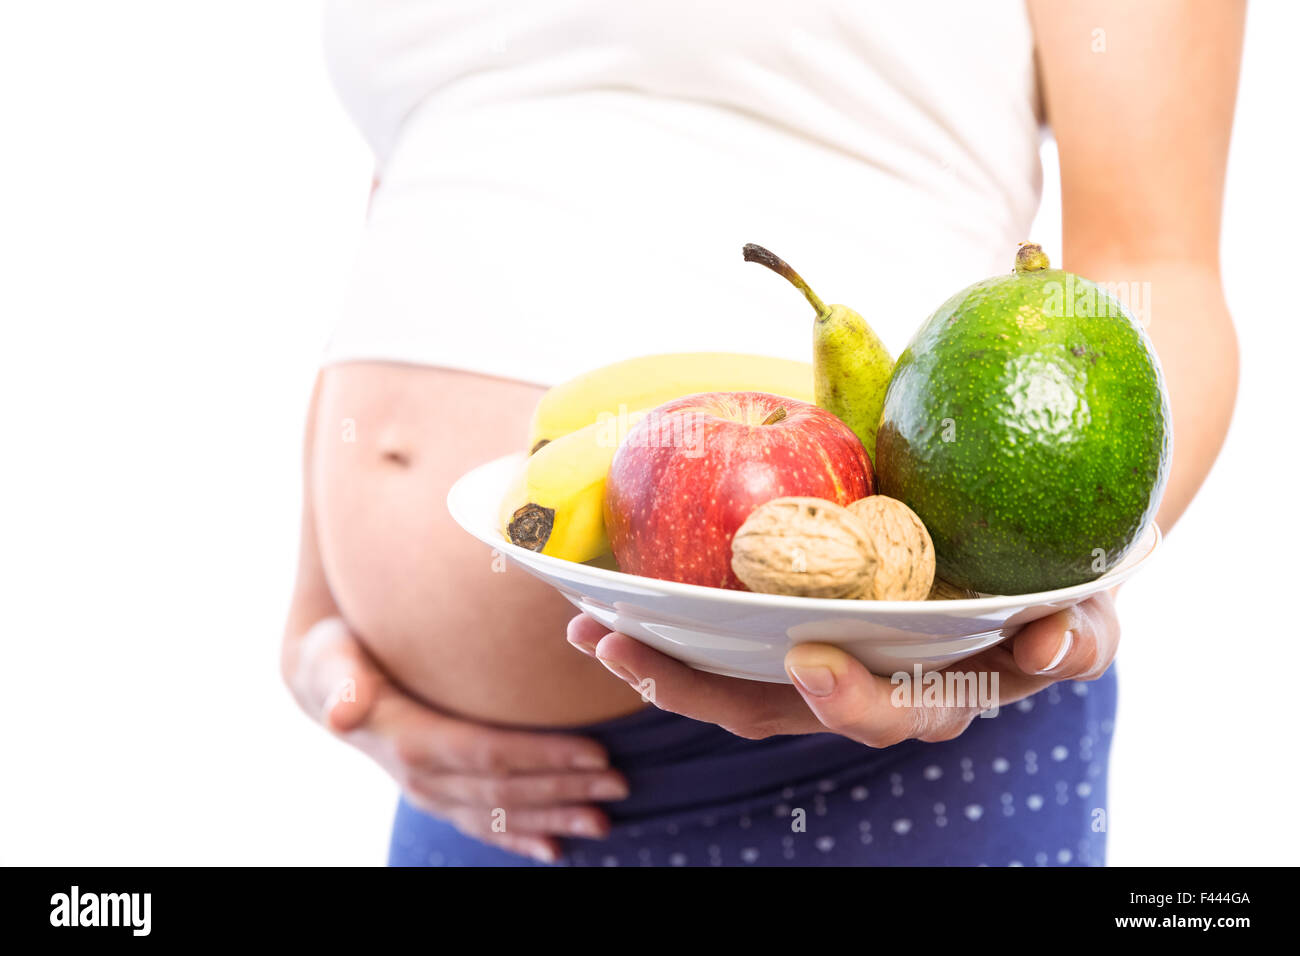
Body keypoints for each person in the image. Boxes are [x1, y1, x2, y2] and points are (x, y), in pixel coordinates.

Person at [283, 0, 1243, 865]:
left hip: (878, 755)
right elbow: (420, 200)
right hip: (474, 794)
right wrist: (320, 614)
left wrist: (1061, 586)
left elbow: (1156, 262)